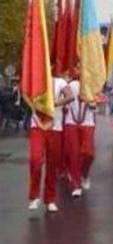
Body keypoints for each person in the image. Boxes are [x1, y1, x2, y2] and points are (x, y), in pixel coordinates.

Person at [28, 71, 73, 212]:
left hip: (55, 126)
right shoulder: (35, 80)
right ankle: (34, 196)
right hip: (37, 126)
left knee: (52, 164)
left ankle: (50, 199)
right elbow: (25, 93)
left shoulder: (59, 82)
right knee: (36, 160)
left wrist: (55, 103)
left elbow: (70, 96)